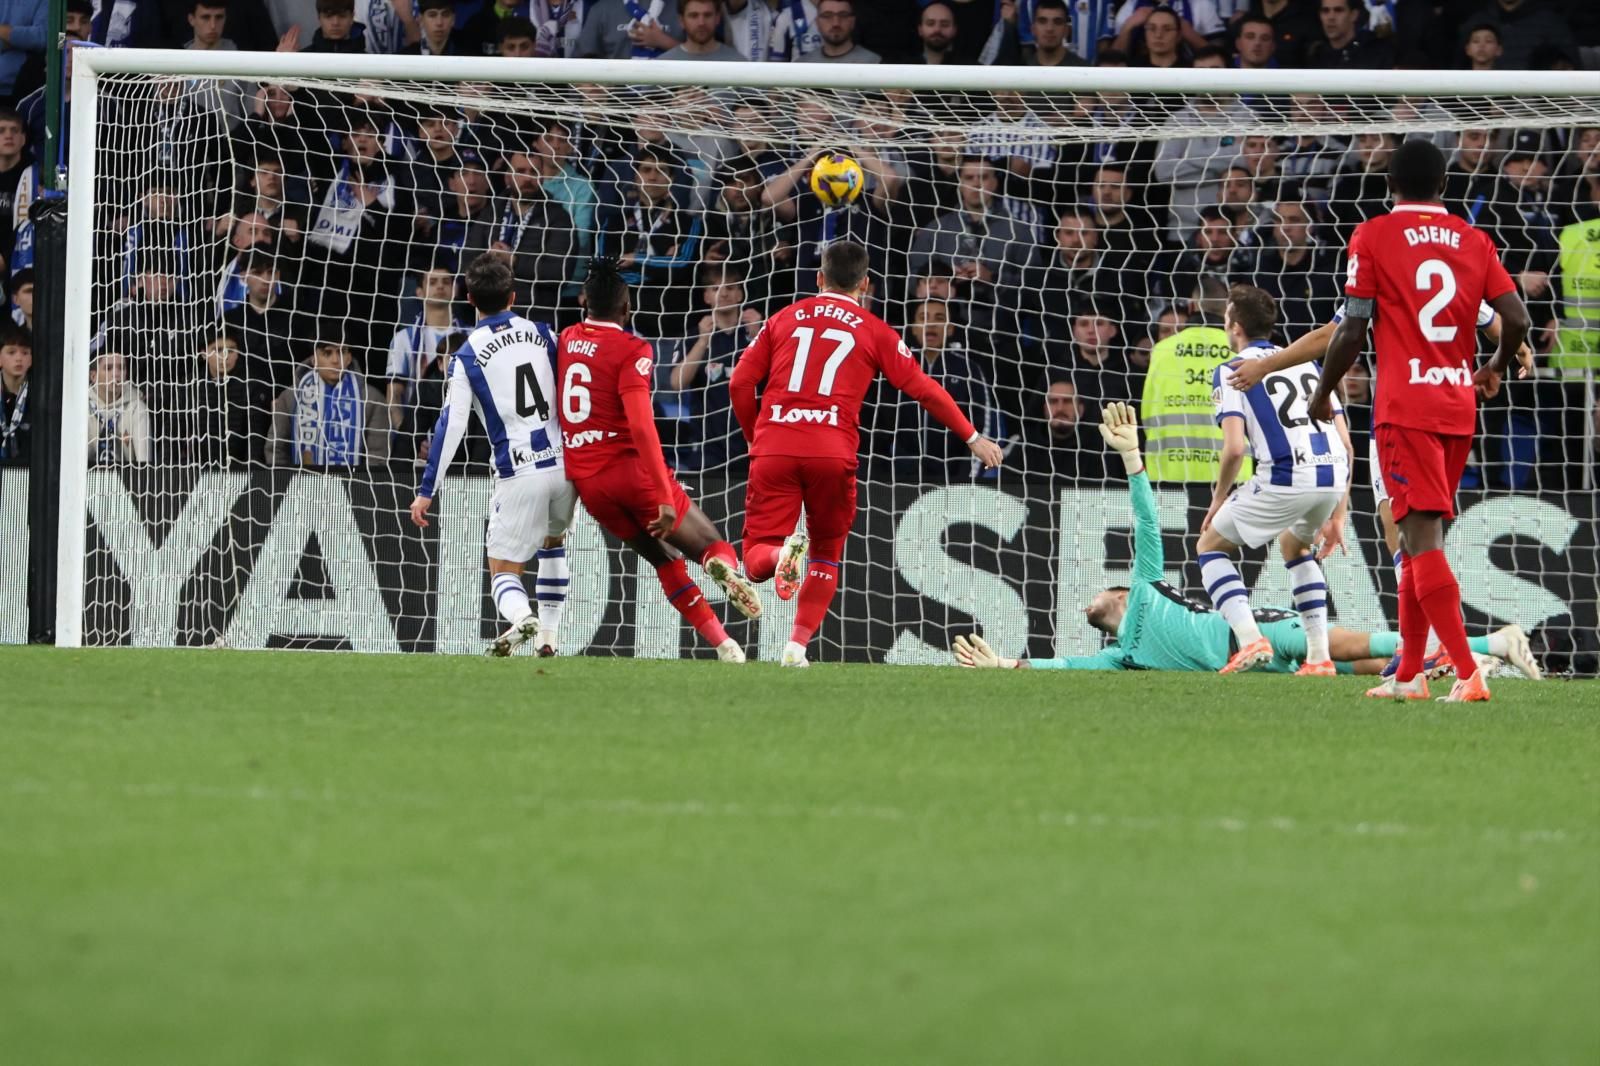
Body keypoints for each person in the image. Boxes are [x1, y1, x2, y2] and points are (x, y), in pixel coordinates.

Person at [950, 402, 1537, 675]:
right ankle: (1484, 651)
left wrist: (1133, 458)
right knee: (1351, 668)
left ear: (1117, 592)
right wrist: (1006, 663)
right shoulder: (1120, 656)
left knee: (1349, 645)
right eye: (1091, 612)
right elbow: (1064, 668)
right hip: (1246, 669)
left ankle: (1483, 647)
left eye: (1094, 600)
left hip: (1254, 627)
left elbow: (1148, 522)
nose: (1087, 606)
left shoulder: (1147, 584)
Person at [1309, 139, 1530, 702]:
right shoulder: (1473, 238)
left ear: (1388, 184)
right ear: (1444, 186)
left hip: (1405, 407)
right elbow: (1516, 316)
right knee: (1413, 536)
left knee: (1422, 538)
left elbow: (1353, 329)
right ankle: (1408, 676)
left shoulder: (1374, 234)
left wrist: (1324, 391)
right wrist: (1495, 366)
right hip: (1458, 405)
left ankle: (1466, 671)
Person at [1225, 296, 1534, 679]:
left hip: (1400, 409)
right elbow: (1501, 321)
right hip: (1454, 408)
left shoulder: (1382, 268)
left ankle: (1441, 650)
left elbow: (1335, 333)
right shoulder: (1457, 265)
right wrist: (1511, 351)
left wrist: (1269, 367)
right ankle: (1416, 653)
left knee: (1406, 537)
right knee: (1423, 532)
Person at [729, 239, 1003, 667]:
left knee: (756, 558)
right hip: (833, 452)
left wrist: (753, 437)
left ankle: (780, 555)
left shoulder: (783, 318)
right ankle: (796, 647)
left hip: (776, 446)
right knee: (826, 551)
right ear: (866, 284)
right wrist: (972, 437)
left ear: (818, 277)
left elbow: (738, 385)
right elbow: (925, 390)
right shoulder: (874, 329)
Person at [557, 257, 760, 663]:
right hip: (630, 472)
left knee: (664, 561)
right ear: (626, 308)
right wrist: (665, 494)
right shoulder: (633, 348)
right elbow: (643, 426)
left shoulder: (565, 339)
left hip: (588, 482)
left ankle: (724, 645)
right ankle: (720, 567)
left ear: (585, 303)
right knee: (710, 546)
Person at [406, 256, 574, 658]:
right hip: (565, 465)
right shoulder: (543, 333)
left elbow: (451, 426)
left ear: (468, 299)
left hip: (519, 469)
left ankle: (522, 617)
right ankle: (549, 639)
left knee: (502, 568)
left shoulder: (467, 355)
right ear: (513, 295)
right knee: (553, 543)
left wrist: (427, 489)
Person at [1196, 284, 1352, 675]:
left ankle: (1250, 641)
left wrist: (1218, 501)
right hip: (1332, 474)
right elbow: (1347, 444)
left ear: (1234, 327)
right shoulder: (1309, 363)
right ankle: (1318, 658)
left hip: (1287, 475)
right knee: (1295, 546)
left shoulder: (1233, 371)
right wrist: (1338, 514)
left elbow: (1234, 449)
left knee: (1210, 546)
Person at [794, 0, 879, 62]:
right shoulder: (804, 64)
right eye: (827, 15)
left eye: (843, 15)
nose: (836, 23)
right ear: (817, 22)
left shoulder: (872, 62)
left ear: (853, 21)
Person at [656, 0, 743, 59]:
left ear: (717, 18)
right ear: (681, 21)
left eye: (707, 15)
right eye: (694, 16)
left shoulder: (738, 63)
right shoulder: (663, 65)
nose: (701, 23)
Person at [0, 319, 27, 464]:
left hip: (27, 472)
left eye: (24, 353)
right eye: (11, 352)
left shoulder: (39, 395)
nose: (18, 358)